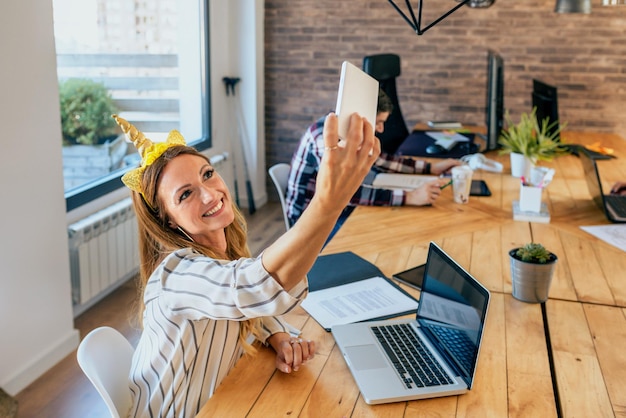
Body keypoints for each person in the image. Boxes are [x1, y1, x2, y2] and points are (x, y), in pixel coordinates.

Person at [112, 112, 380, 417]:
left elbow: (240, 296)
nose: (210, 193)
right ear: (168, 221)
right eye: (186, 194)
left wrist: (277, 334)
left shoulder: (222, 258)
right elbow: (256, 286)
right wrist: (328, 202)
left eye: (208, 174)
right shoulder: (178, 276)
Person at [285, 89, 462, 236]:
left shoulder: (344, 129)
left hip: (333, 211)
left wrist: (431, 167)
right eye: (378, 122)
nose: (381, 129)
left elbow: (382, 161)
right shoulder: (324, 139)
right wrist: (410, 197)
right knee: (387, 231)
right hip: (307, 223)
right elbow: (347, 193)